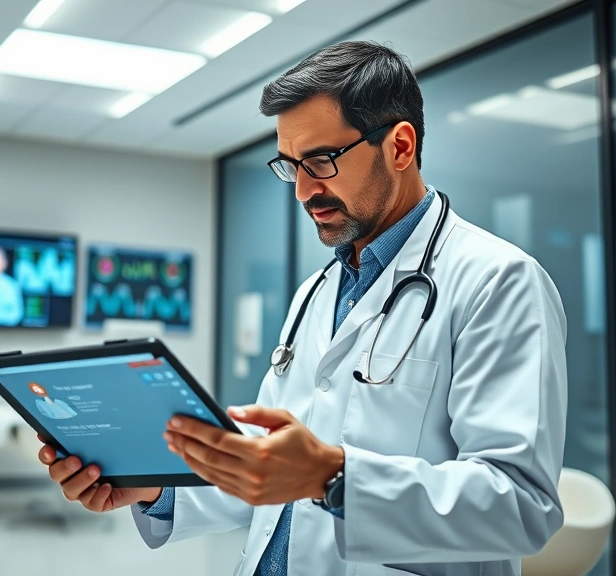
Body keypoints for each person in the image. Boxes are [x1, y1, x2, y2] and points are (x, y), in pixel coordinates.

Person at [37, 41, 568, 576]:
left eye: (320, 161)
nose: (303, 192)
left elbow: (520, 506)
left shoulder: (497, 282)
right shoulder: (318, 289)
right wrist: (156, 486)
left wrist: (334, 479)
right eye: (291, 166)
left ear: (400, 147)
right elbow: (272, 468)